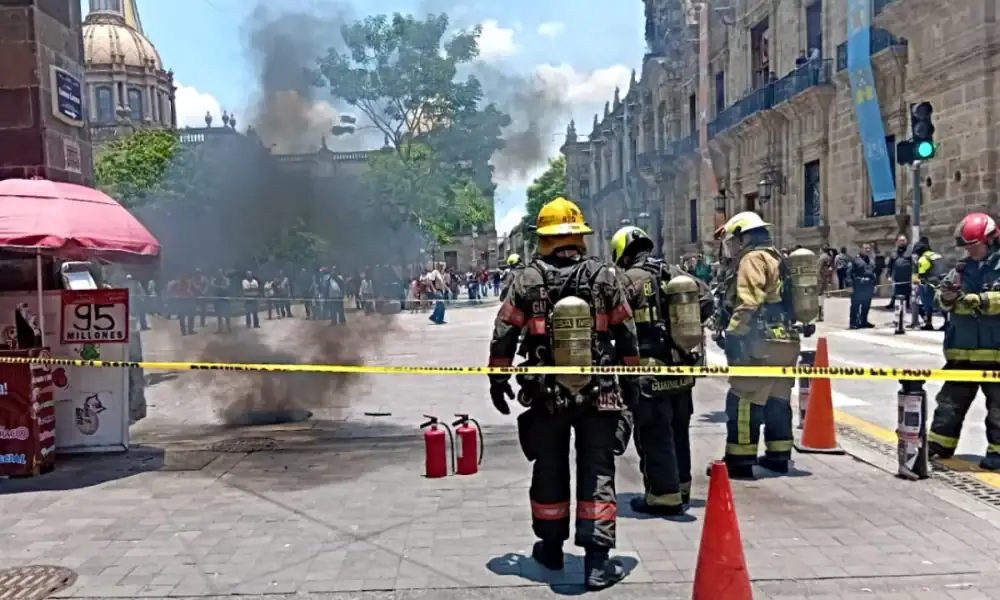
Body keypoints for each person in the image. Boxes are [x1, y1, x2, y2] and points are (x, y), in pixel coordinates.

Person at [487, 196, 640, 590]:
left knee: (549, 465)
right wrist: (632, 382)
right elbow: (627, 333)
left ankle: (550, 548)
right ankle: (597, 562)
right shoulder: (605, 276)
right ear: (579, 236)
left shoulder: (527, 279)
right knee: (598, 470)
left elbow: (505, 331)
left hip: (544, 395)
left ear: (544, 238)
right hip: (601, 394)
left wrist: (498, 379)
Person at [610, 225, 713, 516]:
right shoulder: (677, 273)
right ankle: (681, 488)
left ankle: (663, 497)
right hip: (681, 368)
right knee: (679, 431)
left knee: (654, 434)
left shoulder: (626, 279)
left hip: (648, 372)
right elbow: (707, 300)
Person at [713, 211, 806, 478]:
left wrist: (734, 334)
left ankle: (739, 460)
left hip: (760, 340)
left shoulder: (752, 258)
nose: (732, 246)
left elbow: (749, 300)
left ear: (745, 237)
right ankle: (779, 455)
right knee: (778, 398)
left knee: (743, 399)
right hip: (786, 339)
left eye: (734, 240)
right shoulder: (778, 257)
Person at [929, 212, 1000, 470]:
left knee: (999, 410)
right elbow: (941, 300)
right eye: (967, 247)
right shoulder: (961, 270)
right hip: (962, 355)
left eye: (975, 246)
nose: (970, 252)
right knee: (949, 404)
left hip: (996, 355)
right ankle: (939, 446)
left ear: (991, 241)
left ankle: (998, 453)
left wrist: (980, 301)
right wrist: (947, 297)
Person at [847, 243, 876, 329]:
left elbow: (873, 274)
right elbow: (849, 273)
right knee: (855, 305)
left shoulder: (871, 261)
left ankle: (863, 321)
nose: (867, 250)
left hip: (868, 286)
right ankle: (853, 323)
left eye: (869, 249)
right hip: (858, 286)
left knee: (866, 305)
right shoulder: (855, 260)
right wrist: (849, 285)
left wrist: (874, 285)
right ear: (861, 249)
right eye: (865, 248)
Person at [885, 235, 913, 311]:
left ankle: (907, 304)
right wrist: (888, 275)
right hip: (896, 275)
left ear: (906, 241)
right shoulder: (893, 251)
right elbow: (889, 264)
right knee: (895, 290)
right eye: (900, 240)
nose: (902, 242)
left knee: (907, 290)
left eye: (903, 240)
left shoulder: (910, 251)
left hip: (907, 275)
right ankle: (892, 303)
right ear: (897, 241)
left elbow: (914, 264)